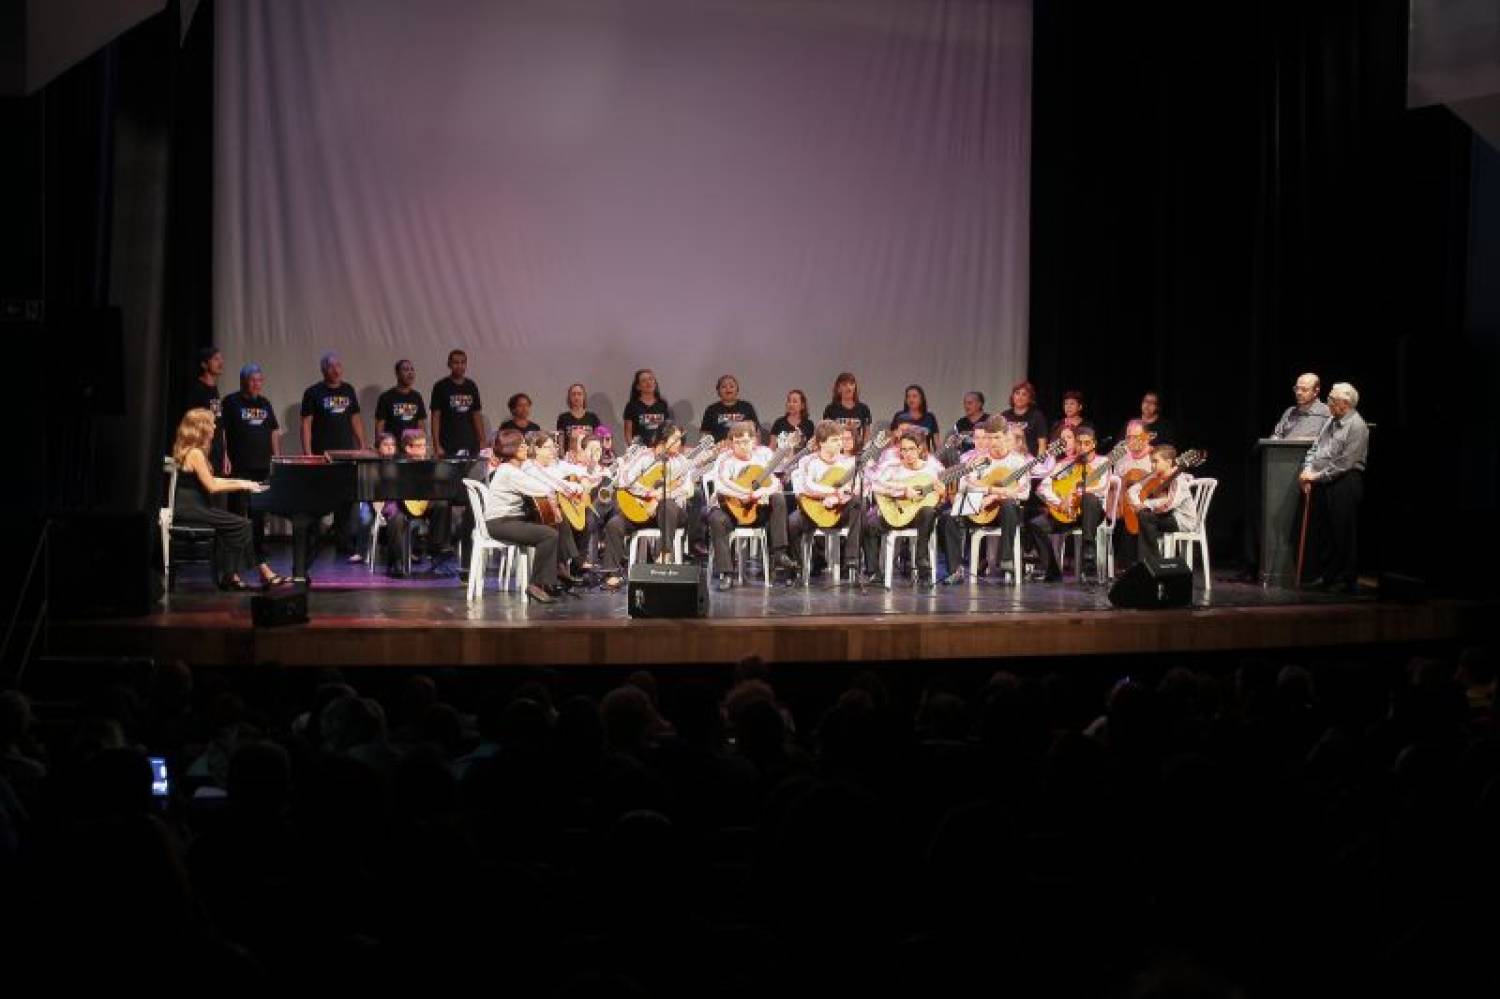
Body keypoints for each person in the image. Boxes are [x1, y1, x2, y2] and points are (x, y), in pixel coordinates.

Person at [169, 408, 267, 590]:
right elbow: (212, 487)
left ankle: (233, 574)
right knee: (242, 525)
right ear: (202, 427)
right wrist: (243, 485)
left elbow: (212, 479)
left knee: (237, 525)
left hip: (194, 508)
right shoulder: (195, 454)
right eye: (211, 423)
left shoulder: (193, 451)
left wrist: (243, 481)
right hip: (192, 510)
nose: (215, 426)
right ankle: (234, 575)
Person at [484, 429, 585, 603]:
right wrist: (557, 498)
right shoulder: (509, 471)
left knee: (557, 524)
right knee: (548, 534)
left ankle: (560, 569)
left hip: (513, 519)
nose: (525, 447)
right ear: (511, 449)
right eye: (521, 444)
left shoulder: (515, 469)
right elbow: (543, 488)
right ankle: (537, 584)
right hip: (500, 523)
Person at [705, 421, 799, 591]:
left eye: (746, 442)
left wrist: (761, 493)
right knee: (716, 520)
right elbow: (720, 486)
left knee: (778, 498)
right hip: (730, 508)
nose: (742, 446)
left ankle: (779, 553)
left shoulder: (763, 456)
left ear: (754, 441)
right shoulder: (724, 459)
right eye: (737, 442)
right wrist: (744, 493)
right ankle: (726, 573)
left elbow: (776, 483)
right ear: (731, 442)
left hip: (756, 509)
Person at [602, 423, 693, 588]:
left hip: (670, 514)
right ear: (662, 438)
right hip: (641, 511)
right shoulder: (644, 457)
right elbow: (623, 480)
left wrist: (658, 499)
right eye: (675, 439)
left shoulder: (682, 462)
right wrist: (648, 494)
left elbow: (686, 489)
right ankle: (612, 573)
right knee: (614, 524)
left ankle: (664, 554)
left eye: (680, 439)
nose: (679, 443)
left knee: (667, 505)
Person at [220, 363, 287, 587]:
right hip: (239, 469)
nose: (258, 384)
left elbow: (273, 431)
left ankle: (261, 566)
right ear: (243, 381)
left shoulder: (265, 403)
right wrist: (225, 456)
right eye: (253, 380)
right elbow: (222, 432)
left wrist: (276, 458)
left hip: (261, 468)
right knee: (238, 518)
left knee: (258, 519)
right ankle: (231, 572)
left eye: (260, 380)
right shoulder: (231, 402)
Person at [1298, 382, 1368, 593]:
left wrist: (1316, 476)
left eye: (1331, 400)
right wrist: (1307, 468)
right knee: (1326, 532)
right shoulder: (1330, 421)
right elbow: (1316, 448)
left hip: (1345, 482)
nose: (1328, 403)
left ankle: (1347, 580)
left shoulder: (1357, 426)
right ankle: (1328, 577)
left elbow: (1344, 464)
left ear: (1344, 404)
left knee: (1343, 533)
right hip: (1324, 481)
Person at [941, 422, 1031, 584]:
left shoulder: (1018, 462)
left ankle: (1006, 558)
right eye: (989, 437)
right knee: (949, 517)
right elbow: (964, 486)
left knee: (1009, 505)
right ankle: (955, 570)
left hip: (1004, 513)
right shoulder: (979, 461)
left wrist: (994, 496)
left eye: (996, 437)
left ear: (1005, 438)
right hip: (979, 508)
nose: (992, 441)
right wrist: (991, 491)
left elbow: (1023, 493)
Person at [300, 352, 366, 560]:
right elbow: (306, 424)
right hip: (322, 455)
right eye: (331, 367)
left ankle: (343, 540)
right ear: (323, 370)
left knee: (345, 499)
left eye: (338, 366)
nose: (336, 370)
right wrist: (308, 453)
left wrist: (362, 446)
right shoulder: (313, 392)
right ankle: (314, 539)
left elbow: (355, 419)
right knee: (317, 498)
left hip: (345, 454)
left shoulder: (348, 390)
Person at [863, 428, 945, 586]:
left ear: (920, 448)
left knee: (928, 511)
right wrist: (902, 492)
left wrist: (942, 494)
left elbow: (938, 501)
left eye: (911, 449)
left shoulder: (933, 470)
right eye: (903, 449)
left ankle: (923, 566)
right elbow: (876, 486)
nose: (907, 453)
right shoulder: (892, 467)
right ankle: (874, 572)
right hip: (894, 513)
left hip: (918, 517)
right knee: (868, 524)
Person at [1029, 426, 1109, 582]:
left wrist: (1074, 495)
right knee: (1036, 525)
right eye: (1079, 443)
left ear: (1094, 444)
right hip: (1066, 514)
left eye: (1087, 443)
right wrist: (1060, 503)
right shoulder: (1064, 463)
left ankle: (1088, 552)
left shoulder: (1103, 462)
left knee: (1090, 497)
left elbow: (1101, 486)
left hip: (1090, 514)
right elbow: (1043, 487)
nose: (1083, 447)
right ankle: (1052, 571)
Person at [789, 420, 865, 582]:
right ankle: (800, 567)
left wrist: (838, 499)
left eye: (840, 439)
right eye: (835, 440)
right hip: (813, 510)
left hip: (838, 510)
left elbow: (855, 487)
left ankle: (851, 558)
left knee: (858, 502)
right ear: (821, 443)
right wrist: (830, 493)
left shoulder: (848, 463)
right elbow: (803, 487)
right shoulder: (808, 461)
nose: (840, 443)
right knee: (793, 523)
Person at [527, 431, 602, 576]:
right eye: (548, 447)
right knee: (562, 519)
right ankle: (570, 564)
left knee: (586, 514)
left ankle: (575, 563)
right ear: (537, 449)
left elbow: (577, 470)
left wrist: (584, 477)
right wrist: (578, 489)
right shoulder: (531, 467)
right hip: (534, 512)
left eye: (553, 447)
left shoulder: (554, 464)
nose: (553, 450)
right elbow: (557, 484)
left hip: (551, 508)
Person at [379, 430, 452, 577]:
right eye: (418, 446)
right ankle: (398, 563)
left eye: (424, 446)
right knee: (397, 518)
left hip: (422, 502)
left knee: (442, 504)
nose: (423, 450)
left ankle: (436, 551)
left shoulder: (429, 464)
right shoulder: (395, 464)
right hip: (399, 503)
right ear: (408, 448)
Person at [1129, 445, 1201, 565]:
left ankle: (1153, 563)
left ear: (1168, 462)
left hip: (1182, 521)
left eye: (1155, 461)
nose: (1152, 465)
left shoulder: (1179, 478)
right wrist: (1138, 505)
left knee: (1145, 518)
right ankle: (1145, 563)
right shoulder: (1155, 475)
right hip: (1167, 517)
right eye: (1151, 461)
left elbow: (1169, 504)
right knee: (1141, 519)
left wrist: (1146, 506)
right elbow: (1132, 490)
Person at [431, 349, 485, 457]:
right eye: (456, 363)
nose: (459, 366)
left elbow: (476, 415)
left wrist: (482, 440)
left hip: (470, 441)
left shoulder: (471, 385)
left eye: (463, 362)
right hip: (448, 441)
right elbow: (436, 417)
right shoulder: (440, 386)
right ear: (449, 364)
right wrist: (436, 445)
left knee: (470, 473)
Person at [184, 346, 228, 473]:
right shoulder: (197, 390)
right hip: (203, 453)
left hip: (217, 454)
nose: (221, 363)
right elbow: (191, 426)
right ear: (204, 364)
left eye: (221, 359)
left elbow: (220, 424)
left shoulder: (214, 389)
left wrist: (225, 454)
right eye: (215, 359)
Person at [375, 359, 428, 441]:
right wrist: (379, 443)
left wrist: (423, 441)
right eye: (406, 370)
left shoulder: (416, 396)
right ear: (397, 374)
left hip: (413, 446)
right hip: (392, 447)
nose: (410, 373)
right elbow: (380, 425)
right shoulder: (386, 397)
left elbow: (420, 423)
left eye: (412, 369)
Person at [700, 375, 761, 444]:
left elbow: (756, 431)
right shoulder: (711, 409)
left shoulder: (747, 407)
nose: (728, 389)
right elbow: (705, 433)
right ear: (718, 391)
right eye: (724, 387)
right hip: (718, 451)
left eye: (731, 386)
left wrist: (755, 448)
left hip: (743, 450)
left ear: (737, 390)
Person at [823, 372, 873, 450]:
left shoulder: (863, 408)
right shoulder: (830, 409)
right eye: (844, 384)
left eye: (851, 384)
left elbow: (867, 433)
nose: (848, 387)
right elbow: (826, 432)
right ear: (838, 389)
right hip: (837, 450)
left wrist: (864, 449)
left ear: (855, 387)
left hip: (857, 450)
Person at [1272, 373, 1331, 439]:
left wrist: (1308, 440)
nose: (1298, 393)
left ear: (1316, 392)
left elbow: (1330, 441)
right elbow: (1277, 435)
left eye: (1304, 389)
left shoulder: (1327, 413)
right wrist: (1274, 439)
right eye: (1296, 388)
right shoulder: (1290, 412)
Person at [622, 368, 671, 445]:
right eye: (644, 380)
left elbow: (667, 429)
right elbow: (628, 434)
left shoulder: (662, 404)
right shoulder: (631, 406)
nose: (649, 383)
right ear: (638, 386)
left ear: (655, 383)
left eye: (651, 379)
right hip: (639, 452)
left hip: (659, 451)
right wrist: (633, 451)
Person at [1001, 379, 1049, 456]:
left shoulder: (1037, 416)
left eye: (1024, 394)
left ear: (1030, 399)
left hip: (1029, 459)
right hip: (1007, 458)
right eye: (1017, 393)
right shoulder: (1004, 415)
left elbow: (1042, 443)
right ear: (1013, 396)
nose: (1020, 397)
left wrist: (1039, 463)